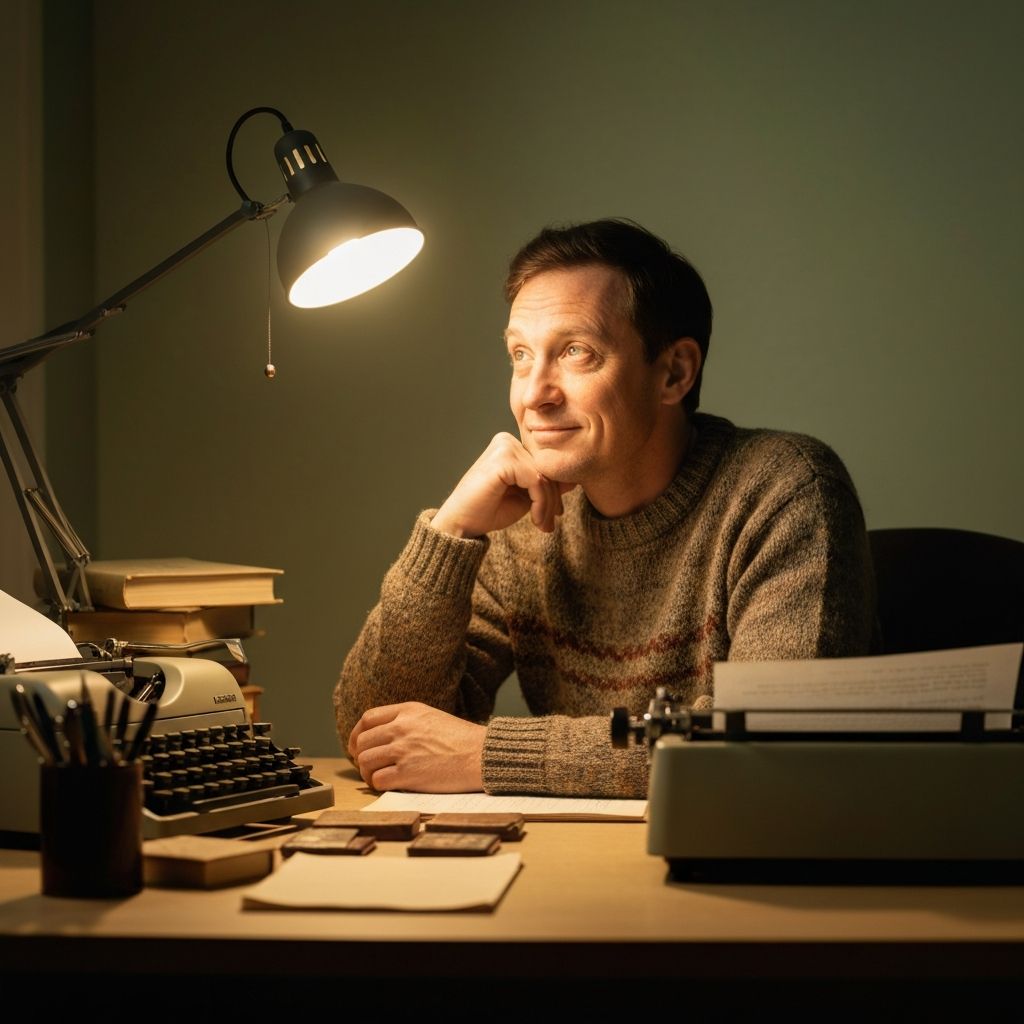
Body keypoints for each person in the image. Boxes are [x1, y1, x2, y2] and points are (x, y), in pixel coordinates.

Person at [334, 219, 877, 798]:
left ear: (674, 372)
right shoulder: (524, 524)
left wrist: (489, 756)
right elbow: (375, 732)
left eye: (575, 352)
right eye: (520, 354)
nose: (534, 393)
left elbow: (767, 746)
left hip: (744, 873)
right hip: (569, 865)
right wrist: (447, 534)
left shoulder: (784, 490)